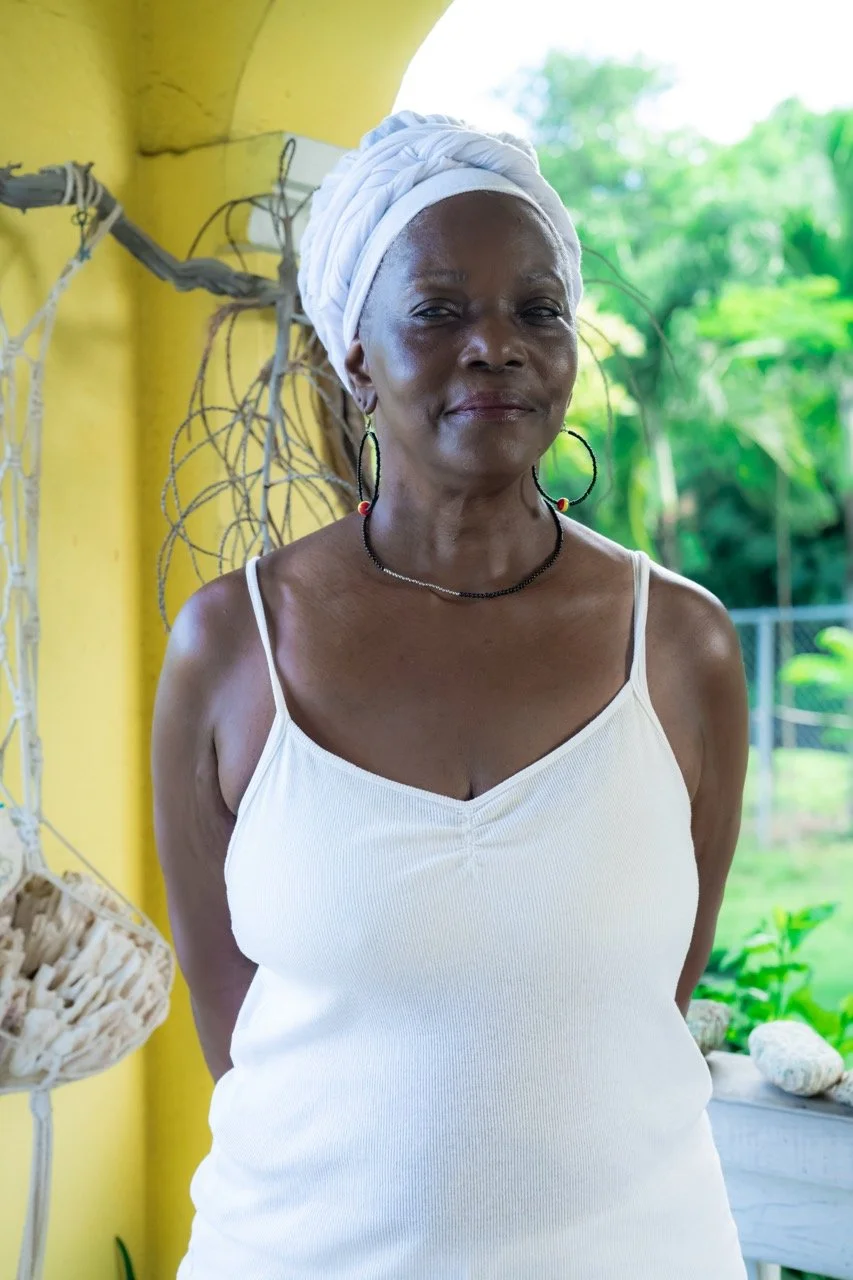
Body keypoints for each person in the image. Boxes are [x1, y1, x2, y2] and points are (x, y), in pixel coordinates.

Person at [152, 110, 750, 1279]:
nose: (497, 346)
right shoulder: (232, 646)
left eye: (537, 309)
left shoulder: (681, 646)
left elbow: (643, 1000)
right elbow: (235, 1025)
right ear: (355, 358)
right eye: (436, 310)